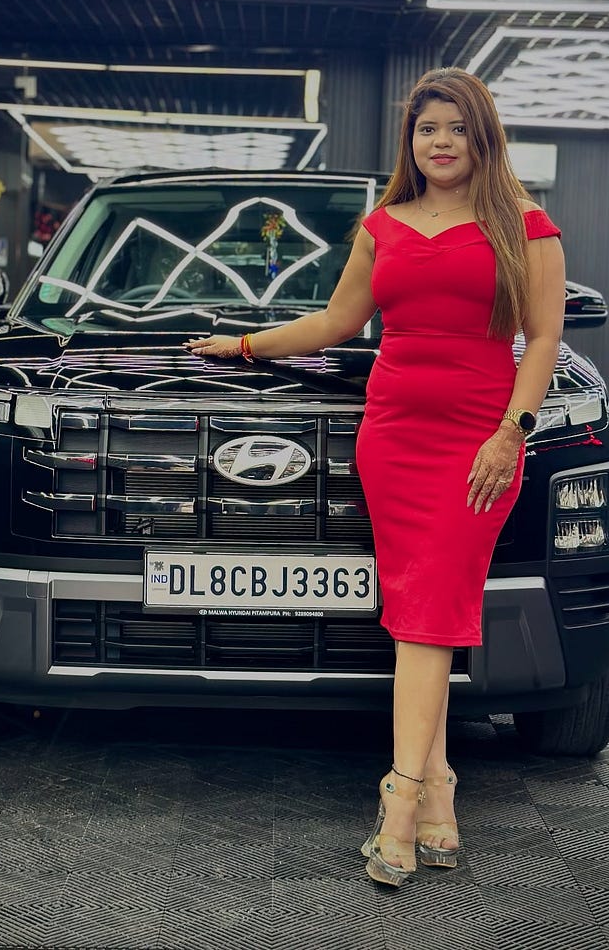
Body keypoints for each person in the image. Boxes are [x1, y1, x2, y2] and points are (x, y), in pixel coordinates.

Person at [184, 67, 565, 887]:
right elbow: (336, 320)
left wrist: (512, 432)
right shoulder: (382, 225)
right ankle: (439, 793)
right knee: (421, 615)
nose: (440, 142)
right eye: (427, 128)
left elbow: (540, 339)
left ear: (482, 136)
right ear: (409, 141)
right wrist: (242, 344)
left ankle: (397, 800)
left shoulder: (524, 224)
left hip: (479, 442)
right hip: (391, 439)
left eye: (455, 128)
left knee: (427, 615)